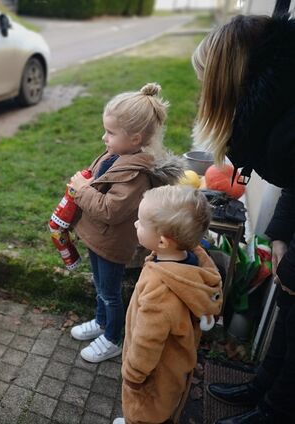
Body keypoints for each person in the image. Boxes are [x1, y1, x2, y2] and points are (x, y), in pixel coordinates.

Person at [191, 13, 295, 424]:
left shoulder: (287, 124)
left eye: (207, 80)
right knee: (288, 316)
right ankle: (261, 386)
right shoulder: (278, 106)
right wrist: (282, 234)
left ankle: (273, 413)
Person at [68, 83, 183, 363]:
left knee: (110, 293)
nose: (103, 137)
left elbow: (110, 210)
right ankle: (100, 321)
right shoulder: (117, 155)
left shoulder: (136, 175)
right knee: (99, 286)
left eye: (110, 132)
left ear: (135, 138)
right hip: (98, 238)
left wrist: (82, 189)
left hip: (112, 243)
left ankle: (112, 338)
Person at [112, 185, 223, 424]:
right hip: (176, 366)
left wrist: (134, 375)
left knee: (145, 411)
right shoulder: (192, 263)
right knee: (165, 406)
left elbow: (147, 340)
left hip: (155, 373)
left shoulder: (160, 289)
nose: (135, 224)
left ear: (162, 241)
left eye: (140, 222)